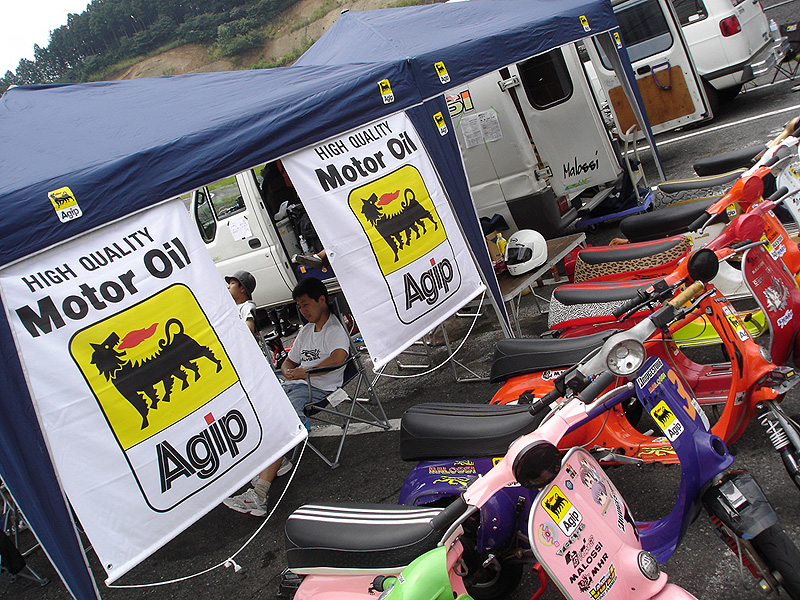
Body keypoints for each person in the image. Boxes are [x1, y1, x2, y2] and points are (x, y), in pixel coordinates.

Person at [223, 277, 350, 516]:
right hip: (296, 384)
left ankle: (260, 495)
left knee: (283, 418)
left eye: (306, 304)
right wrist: (287, 370)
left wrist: (306, 371)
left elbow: (338, 358)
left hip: (318, 388)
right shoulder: (307, 330)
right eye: (299, 306)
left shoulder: (334, 329)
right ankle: (279, 460)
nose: (302, 311)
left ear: (322, 300)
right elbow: (289, 360)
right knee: (257, 407)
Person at [225, 270, 257, 336]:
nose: (228, 287)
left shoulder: (247, 307)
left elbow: (248, 330)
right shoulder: (232, 306)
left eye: (232, 283)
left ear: (242, 288)